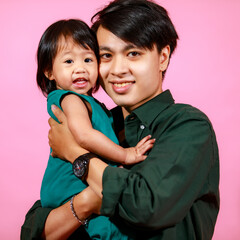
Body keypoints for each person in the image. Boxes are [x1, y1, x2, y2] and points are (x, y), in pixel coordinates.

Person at [21, 0, 220, 239]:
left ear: (163, 57)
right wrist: (86, 201)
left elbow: (147, 207)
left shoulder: (188, 125)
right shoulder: (99, 121)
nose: (117, 69)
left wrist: (75, 154)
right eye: (105, 55)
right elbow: (35, 228)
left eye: (133, 53)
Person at [36, 19, 154, 240]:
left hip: (76, 184)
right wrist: (126, 155)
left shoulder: (89, 102)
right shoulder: (71, 99)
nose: (80, 68)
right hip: (70, 185)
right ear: (50, 72)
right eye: (69, 61)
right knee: (110, 229)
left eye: (88, 59)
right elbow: (85, 136)